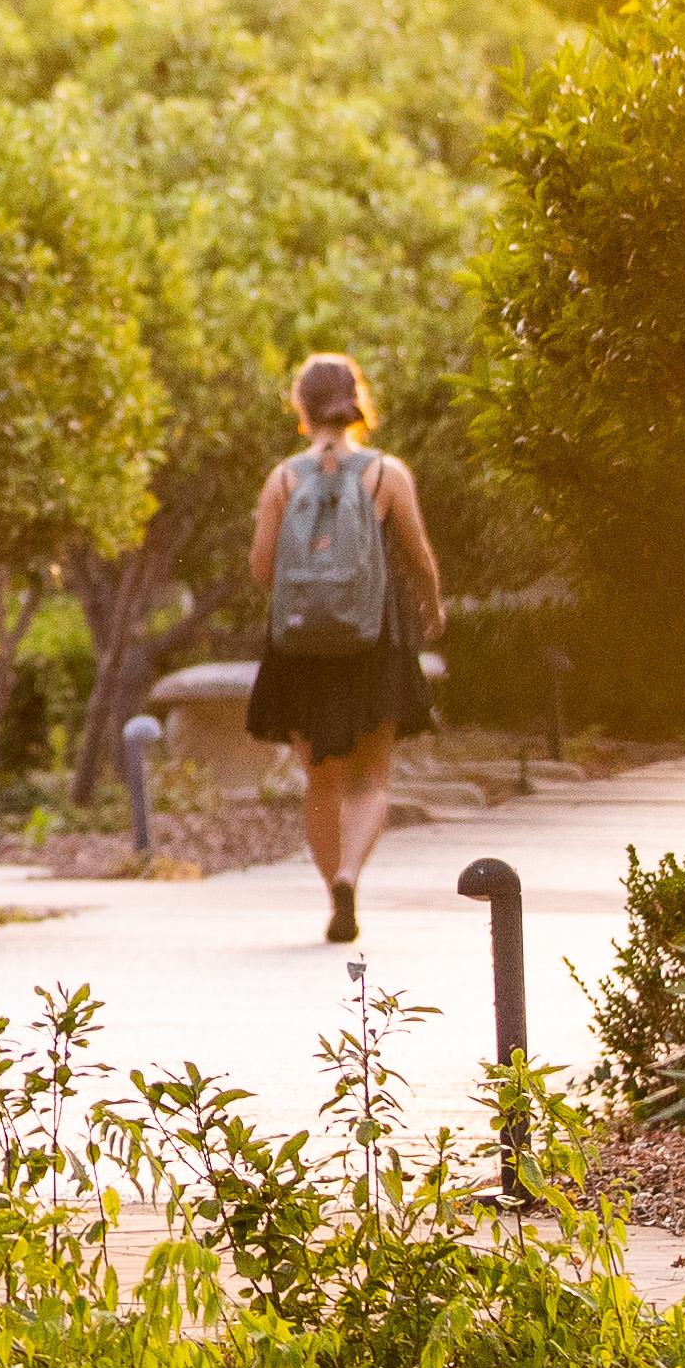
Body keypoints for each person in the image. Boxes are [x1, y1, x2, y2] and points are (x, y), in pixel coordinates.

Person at [247, 352, 450, 949]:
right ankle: (349, 876)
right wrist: (432, 608)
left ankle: (328, 887)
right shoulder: (388, 474)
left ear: (301, 410)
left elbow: (262, 569)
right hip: (375, 642)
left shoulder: (283, 479)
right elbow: (418, 557)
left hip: (302, 647)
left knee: (321, 781)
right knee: (371, 779)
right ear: (357, 401)